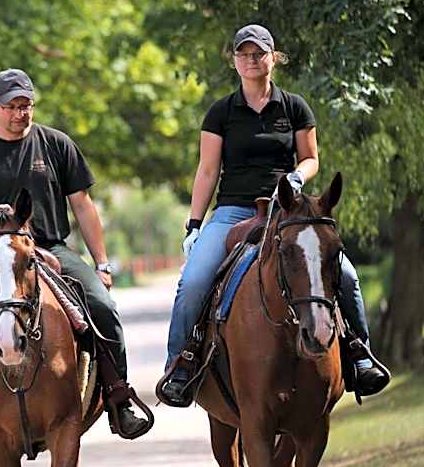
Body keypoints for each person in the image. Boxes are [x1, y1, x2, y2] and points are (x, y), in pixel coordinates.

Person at [0, 68, 150, 449]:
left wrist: (101, 264)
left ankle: (119, 399)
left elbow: (84, 207)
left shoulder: (56, 145)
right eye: (12, 106)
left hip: (50, 249)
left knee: (103, 308)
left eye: (27, 105)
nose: (20, 113)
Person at [160, 24, 390, 404]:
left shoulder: (295, 107)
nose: (251, 60)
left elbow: (311, 157)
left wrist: (299, 176)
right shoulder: (221, 112)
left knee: (345, 274)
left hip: (288, 208)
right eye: (244, 54)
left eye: (259, 53)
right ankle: (180, 365)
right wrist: (195, 224)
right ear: (235, 61)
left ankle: (358, 354)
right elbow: (206, 170)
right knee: (194, 281)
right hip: (233, 210)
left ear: (273, 57)